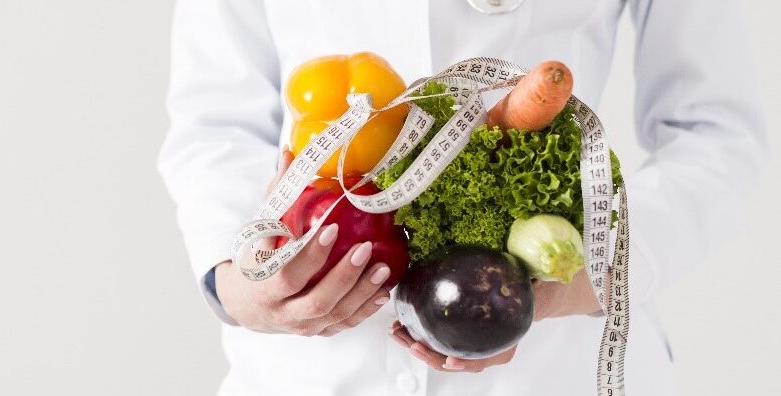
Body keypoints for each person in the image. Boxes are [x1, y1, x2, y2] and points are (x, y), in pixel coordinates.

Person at [157, 0, 766, 395]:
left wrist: (581, 278)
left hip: (554, 366)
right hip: (313, 367)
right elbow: (217, 121)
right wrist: (234, 283)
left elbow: (714, 132)